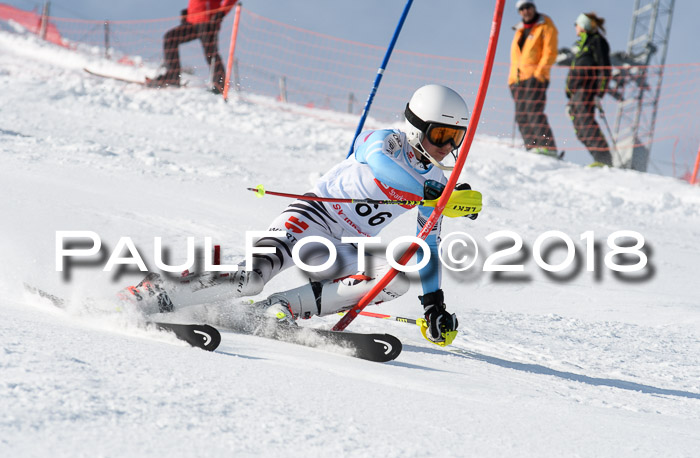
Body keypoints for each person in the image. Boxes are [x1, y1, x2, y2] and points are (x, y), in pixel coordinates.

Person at [120, 84, 479, 345]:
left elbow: (428, 243)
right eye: (441, 134)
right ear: (417, 126)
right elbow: (380, 166)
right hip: (310, 218)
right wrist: (430, 192)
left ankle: (280, 309)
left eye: (456, 138)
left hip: (343, 248)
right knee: (252, 278)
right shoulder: (386, 142)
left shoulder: (435, 182)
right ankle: (155, 291)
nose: (447, 147)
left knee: (398, 276)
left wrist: (433, 304)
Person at [146, 0, 238, 94]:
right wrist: (188, 13)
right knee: (170, 38)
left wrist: (221, 13)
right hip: (191, 22)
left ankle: (220, 85)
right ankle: (172, 78)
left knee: (210, 53)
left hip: (208, 22)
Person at [509, 0, 559, 157]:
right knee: (521, 114)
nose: (525, 11)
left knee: (534, 111)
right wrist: (512, 80)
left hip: (535, 77)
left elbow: (550, 52)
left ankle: (547, 147)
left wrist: (539, 73)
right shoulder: (519, 31)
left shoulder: (545, 25)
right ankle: (531, 147)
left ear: (533, 8)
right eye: (522, 9)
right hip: (517, 80)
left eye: (528, 7)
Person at [566, 12, 613, 166]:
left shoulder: (597, 41)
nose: (575, 27)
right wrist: (569, 94)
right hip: (576, 93)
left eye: (577, 24)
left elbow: (604, 68)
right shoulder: (582, 45)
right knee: (579, 128)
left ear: (584, 25)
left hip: (587, 90)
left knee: (586, 123)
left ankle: (603, 159)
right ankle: (599, 159)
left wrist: (599, 93)